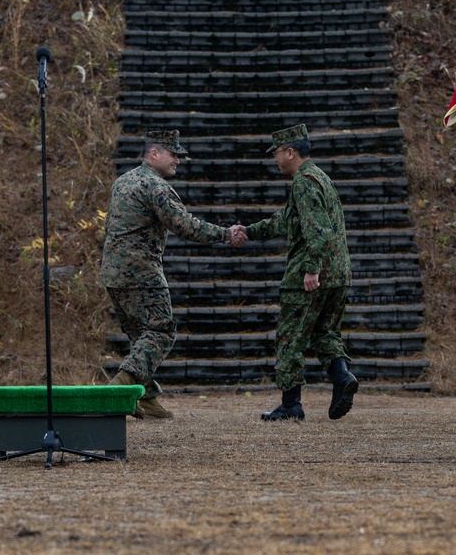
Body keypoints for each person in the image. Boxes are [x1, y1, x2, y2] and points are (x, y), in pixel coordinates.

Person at [100, 130, 245, 419]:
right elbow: (185, 225)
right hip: (142, 272)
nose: (178, 160)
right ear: (154, 154)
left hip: (113, 273)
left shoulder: (123, 181)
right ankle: (119, 387)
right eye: (173, 154)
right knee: (162, 331)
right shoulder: (156, 186)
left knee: (142, 336)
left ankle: (148, 399)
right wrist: (225, 234)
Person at [242, 124, 357, 421]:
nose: (275, 160)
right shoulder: (319, 178)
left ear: (290, 152)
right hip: (339, 274)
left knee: (290, 338)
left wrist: (311, 270)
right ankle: (342, 377)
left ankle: (291, 404)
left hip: (312, 274)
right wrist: (247, 232)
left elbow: (316, 230)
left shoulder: (303, 183)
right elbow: (283, 222)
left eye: (277, 154)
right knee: (325, 333)